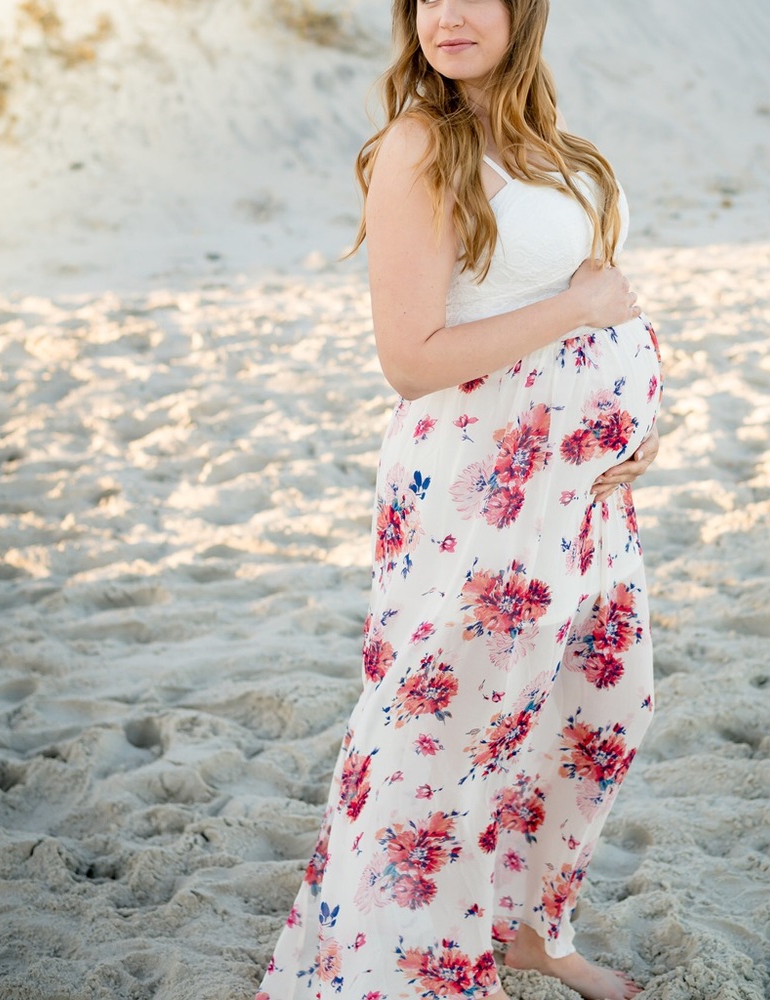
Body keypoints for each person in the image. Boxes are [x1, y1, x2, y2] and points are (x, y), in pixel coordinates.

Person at [256, 0, 662, 997]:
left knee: (598, 710)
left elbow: (596, 295)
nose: (444, 14)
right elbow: (410, 358)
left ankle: (531, 927)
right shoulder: (419, 142)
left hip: (586, 500)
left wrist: (646, 417)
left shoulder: (541, 141)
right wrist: (582, 311)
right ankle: (414, 966)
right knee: (446, 740)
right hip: (481, 494)